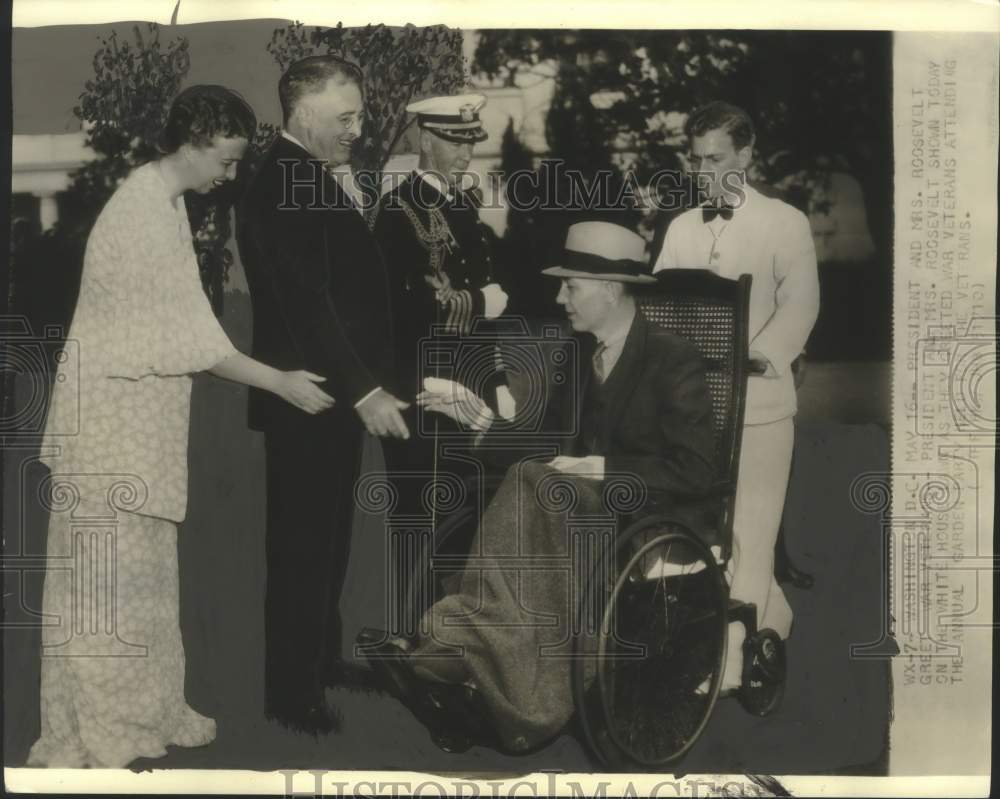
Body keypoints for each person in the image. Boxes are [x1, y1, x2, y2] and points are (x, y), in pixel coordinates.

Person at [28, 85, 335, 768]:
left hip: (128, 419)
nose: (227, 177)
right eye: (224, 161)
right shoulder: (141, 212)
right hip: (109, 425)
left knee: (136, 576)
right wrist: (279, 381)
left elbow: (185, 330)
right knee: (104, 581)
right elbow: (197, 341)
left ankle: (138, 710)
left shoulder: (161, 202)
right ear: (194, 140)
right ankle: (102, 725)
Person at [363, 221, 716, 752]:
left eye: (570, 286)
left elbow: (696, 471)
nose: (559, 297)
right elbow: (546, 442)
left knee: (532, 480)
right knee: (532, 480)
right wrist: (479, 418)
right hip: (567, 512)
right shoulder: (578, 356)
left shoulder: (673, 358)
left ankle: (462, 655)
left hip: (639, 519)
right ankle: (468, 665)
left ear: (611, 289)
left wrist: (601, 468)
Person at [236, 55, 408, 733]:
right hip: (306, 396)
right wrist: (366, 390)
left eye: (360, 114)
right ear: (303, 112)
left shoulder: (306, 174)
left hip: (329, 396)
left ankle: (323, 660)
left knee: (329, 539)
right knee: (303, 545)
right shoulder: (284, 179)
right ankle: (291, 692)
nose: (359, 129)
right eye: (347, 117)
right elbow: (309, 303)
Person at [652, 101, 820, 694]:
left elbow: (801, 304)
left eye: (717, 159)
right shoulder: (678, 228)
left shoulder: (785, 223)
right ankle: (772, 617)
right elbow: (661, 309)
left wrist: (761, 354)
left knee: (751, 526)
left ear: (746, 156)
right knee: (706, 527)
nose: (704, 173)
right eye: (696, 161)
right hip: (694, 410)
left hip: (761, 408)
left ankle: (729, 659)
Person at [372, 94, 512, 631]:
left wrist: (497, 379)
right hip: (419, 387)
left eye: (469, 142)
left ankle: (450, 638)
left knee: (469, 514)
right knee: (418, 516)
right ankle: (408, 637)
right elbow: (393, 308)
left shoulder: (467, 208)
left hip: (470, 384)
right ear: (423, 139)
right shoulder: (396, 211)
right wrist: (476, 302)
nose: (463, 153)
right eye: (453, 140)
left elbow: (486, 314)